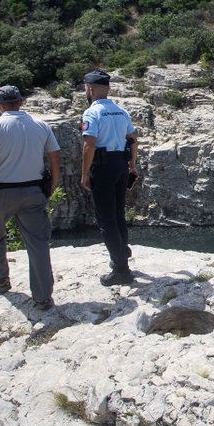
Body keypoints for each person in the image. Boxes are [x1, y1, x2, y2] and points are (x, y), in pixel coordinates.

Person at [0, 85, 61, 311]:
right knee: (38, 244)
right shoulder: (41, 126)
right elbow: (55, 159)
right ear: (21, 102)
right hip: (33, 191)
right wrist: (52, 185)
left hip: (1, 192)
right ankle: (42, 297)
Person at [80, 69, 139, 286]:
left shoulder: (92, 113)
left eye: (86, 88)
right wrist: (132, 164)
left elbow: (89, 145)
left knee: (105, 219)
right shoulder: (121, 112)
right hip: (120, 165)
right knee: (118, 213)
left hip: (102, 166)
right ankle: (122, 251)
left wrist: (85, 173)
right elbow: (132, 139)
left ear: (91, 89)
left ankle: (121, 269)